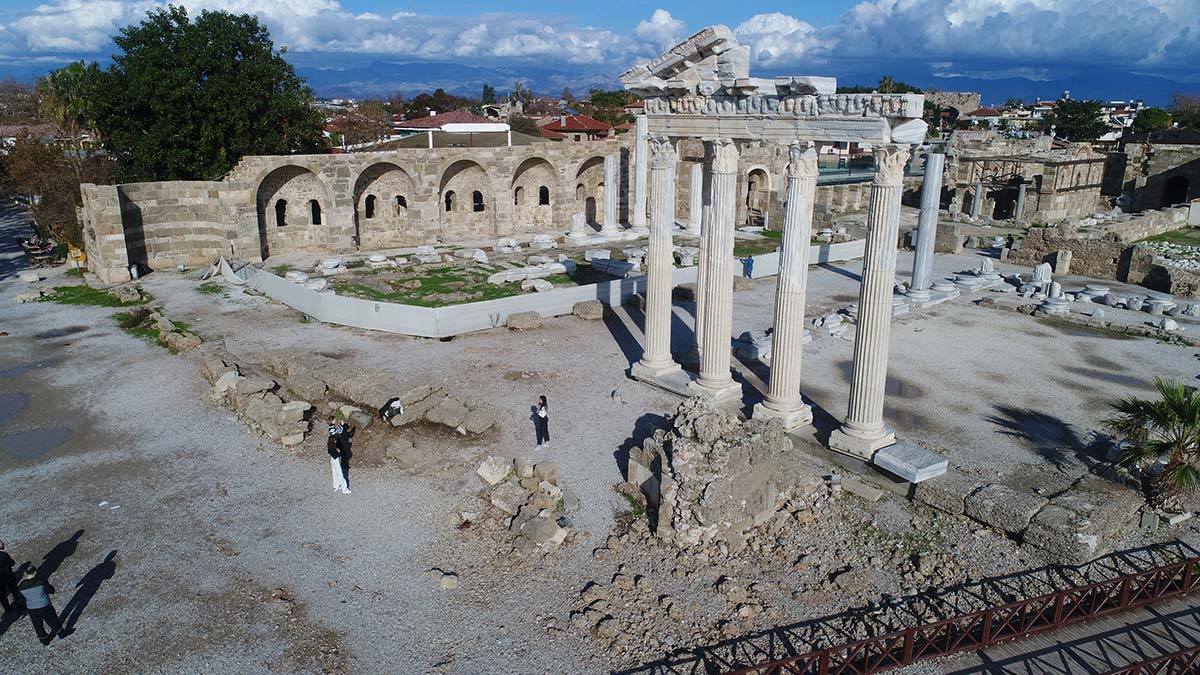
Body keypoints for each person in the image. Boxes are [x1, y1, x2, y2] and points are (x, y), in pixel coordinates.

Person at [17, 566, 61, 645]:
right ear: (35, 572)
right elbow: (51, 590)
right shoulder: (40, 581)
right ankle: (61, 633)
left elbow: (21, 598)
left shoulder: (21, 585)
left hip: (32, 608)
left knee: (37, 625)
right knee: (52, 620)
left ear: (25, 573)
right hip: (44, 605)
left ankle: (44, 640)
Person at [326, 417, 350, 494]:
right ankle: (344, 488)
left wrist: (341, 425)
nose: (335, 420)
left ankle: (336, 485)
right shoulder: (332, 429)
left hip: (333, 454)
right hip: (335, 454)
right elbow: (337, 432)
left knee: (334, 470)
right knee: (339, 472)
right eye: (334, 419)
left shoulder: (332, 428)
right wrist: (341, 425)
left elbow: (338, 431)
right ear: (332, 420)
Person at [0, 539, 19, 613]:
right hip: (8, 577)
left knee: (2, 595)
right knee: (14, 591)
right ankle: (19, 605)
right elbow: (12, 563)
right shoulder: (3, 555)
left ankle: (7, 609)